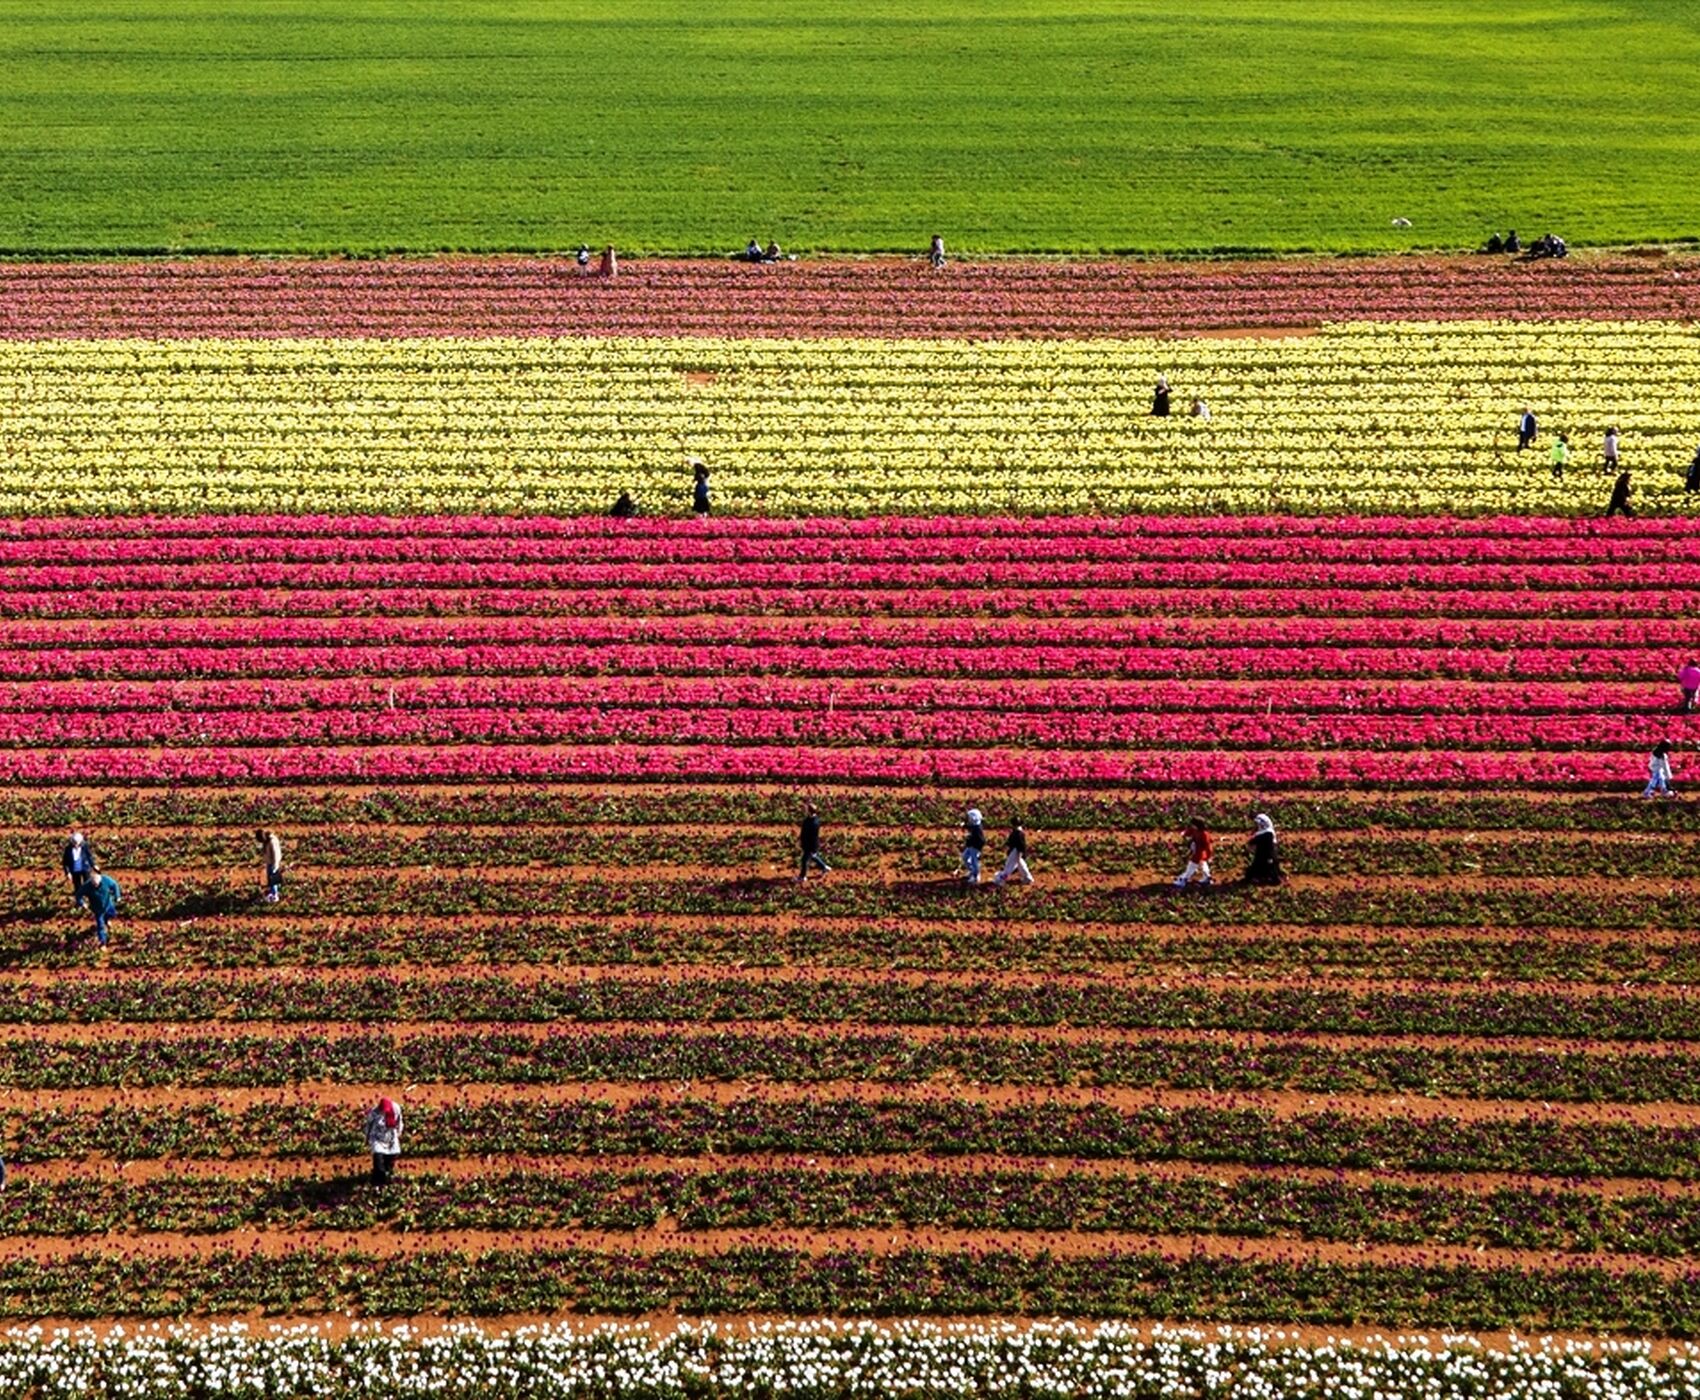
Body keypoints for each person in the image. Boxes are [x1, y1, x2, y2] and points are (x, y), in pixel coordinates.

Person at [364, 1097, 403, 1185]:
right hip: (377, 1137)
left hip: (390, 1136)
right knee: (378, 1158)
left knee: (392, 1156)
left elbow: (399, 1122)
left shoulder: (396, 1109)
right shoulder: (374, 1113)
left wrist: (398, 1133)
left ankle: (385, 1175)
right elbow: (368, 1126)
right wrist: (367, 1138)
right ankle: (378, 1181)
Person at [81, 868, 120, 949]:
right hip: (97, 909)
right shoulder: (87, 886)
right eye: (93, 884)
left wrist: (117, 896)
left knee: (112, 914)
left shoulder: (106, 880)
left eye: (97, 884)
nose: (95, 885)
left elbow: (115, 885)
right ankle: (103, 943)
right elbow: (78, 895)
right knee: (100, 926)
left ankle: (107, 920)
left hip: (108, 904)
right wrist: (82, 903)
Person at [1244, 813, 1284, 886]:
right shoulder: (1267, 833)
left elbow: (1254, 842)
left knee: (1270, 870)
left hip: (1267, 857)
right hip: (1263, 856)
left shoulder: (1267, 834)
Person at [1173, 820, 1213, 888]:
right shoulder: (1196, 830)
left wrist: (1209, 855)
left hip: (1199, 854)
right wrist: (1184, 833)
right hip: (1197, 852)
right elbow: (1190, 831)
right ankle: (1207, 878)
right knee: (1202, 865)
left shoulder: (1204, 834)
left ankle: (1183, 880)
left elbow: (1208, 847)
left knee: (1191, 867)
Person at [61, 831, 95, 909]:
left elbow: (89, 856)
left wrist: (93, 865)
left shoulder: (85, 846)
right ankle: (80, 902)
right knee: (77, 886)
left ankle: (91, 901)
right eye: (74, 842)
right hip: (75, 869)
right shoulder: (68, 849)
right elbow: (65, 862)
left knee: (88, 884)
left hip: (84, 868)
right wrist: (68, 872)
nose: (76, 844)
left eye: (77, 842)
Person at [797, 801, 830, 882]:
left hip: (809, 844)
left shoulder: (810, 822)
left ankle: (802, 876)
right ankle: (824, 867)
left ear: (809, 811)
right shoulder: (815, 820)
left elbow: (808, 835)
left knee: (804, 860)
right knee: (813, 856)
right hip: (812, 844)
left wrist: (803, 842)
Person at [995, 821, 1033, 886]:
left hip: (1016, 852)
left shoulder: (1019, 834)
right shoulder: (1016, 832)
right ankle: (1028, 878)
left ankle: (1001, 879)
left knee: (1009, 867)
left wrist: (1019, 855)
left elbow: (1021, 846)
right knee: (1021, 865)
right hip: (1015, 851)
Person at [256, 828, 283, 903]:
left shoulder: (272, 841)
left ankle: (275, 896)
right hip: (269, 862)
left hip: (273, 863)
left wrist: (275, 865)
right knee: (270, 879)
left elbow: (276, 854)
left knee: (273, 880)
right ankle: (272, 893)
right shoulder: (267, 841)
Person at [961, 807, 986, 885]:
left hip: (975, 847)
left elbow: (981, 840)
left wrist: (977, 847)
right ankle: (971, 871)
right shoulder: (975, 826)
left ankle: (975, 876)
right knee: (965, 857)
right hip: (971, 846)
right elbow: (969, 827)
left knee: (974, 861)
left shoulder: (977, 829)